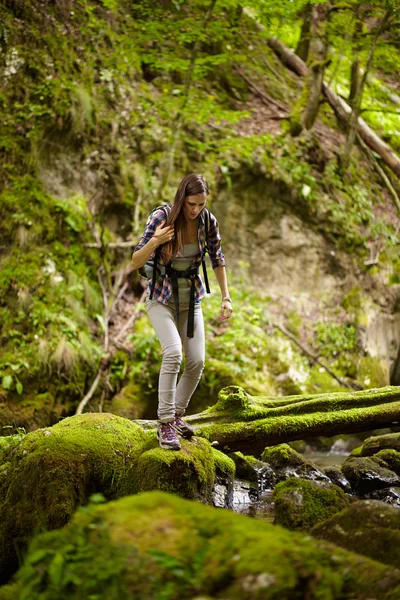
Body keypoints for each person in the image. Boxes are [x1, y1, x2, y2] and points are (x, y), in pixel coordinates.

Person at [132, 173, 232, 450]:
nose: (196, 210)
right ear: (181, 198)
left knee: (197, 361)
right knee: (173, 352)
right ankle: (164, 424)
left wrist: (226, 297)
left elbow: (218, 258)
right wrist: (155, 240)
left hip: (191, 300)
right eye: (191, 204)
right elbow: (135, 261)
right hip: (161, 299)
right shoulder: (162, 217)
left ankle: (176, 416)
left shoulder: (207, 222)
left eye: (201, 204)